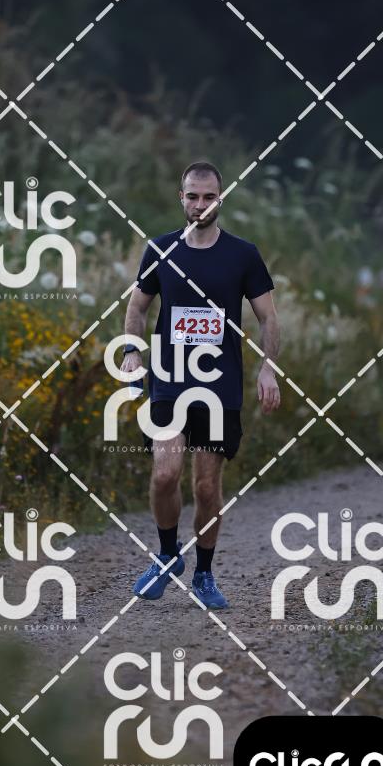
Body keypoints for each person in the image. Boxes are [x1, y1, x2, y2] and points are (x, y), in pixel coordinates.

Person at [121, 161, 280, 609]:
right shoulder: (160, 249)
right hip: (169, 382)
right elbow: (137, 308)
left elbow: (269, 318)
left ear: (220, 199)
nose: (200, 205)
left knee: (206, 488)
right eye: (193, 196)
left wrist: (268, 368)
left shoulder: (243, 254)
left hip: (218, 387)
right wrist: (132, 351)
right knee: (165, 473)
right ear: (182, 198)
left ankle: (205, 573)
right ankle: (167, 555)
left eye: (209, 197)